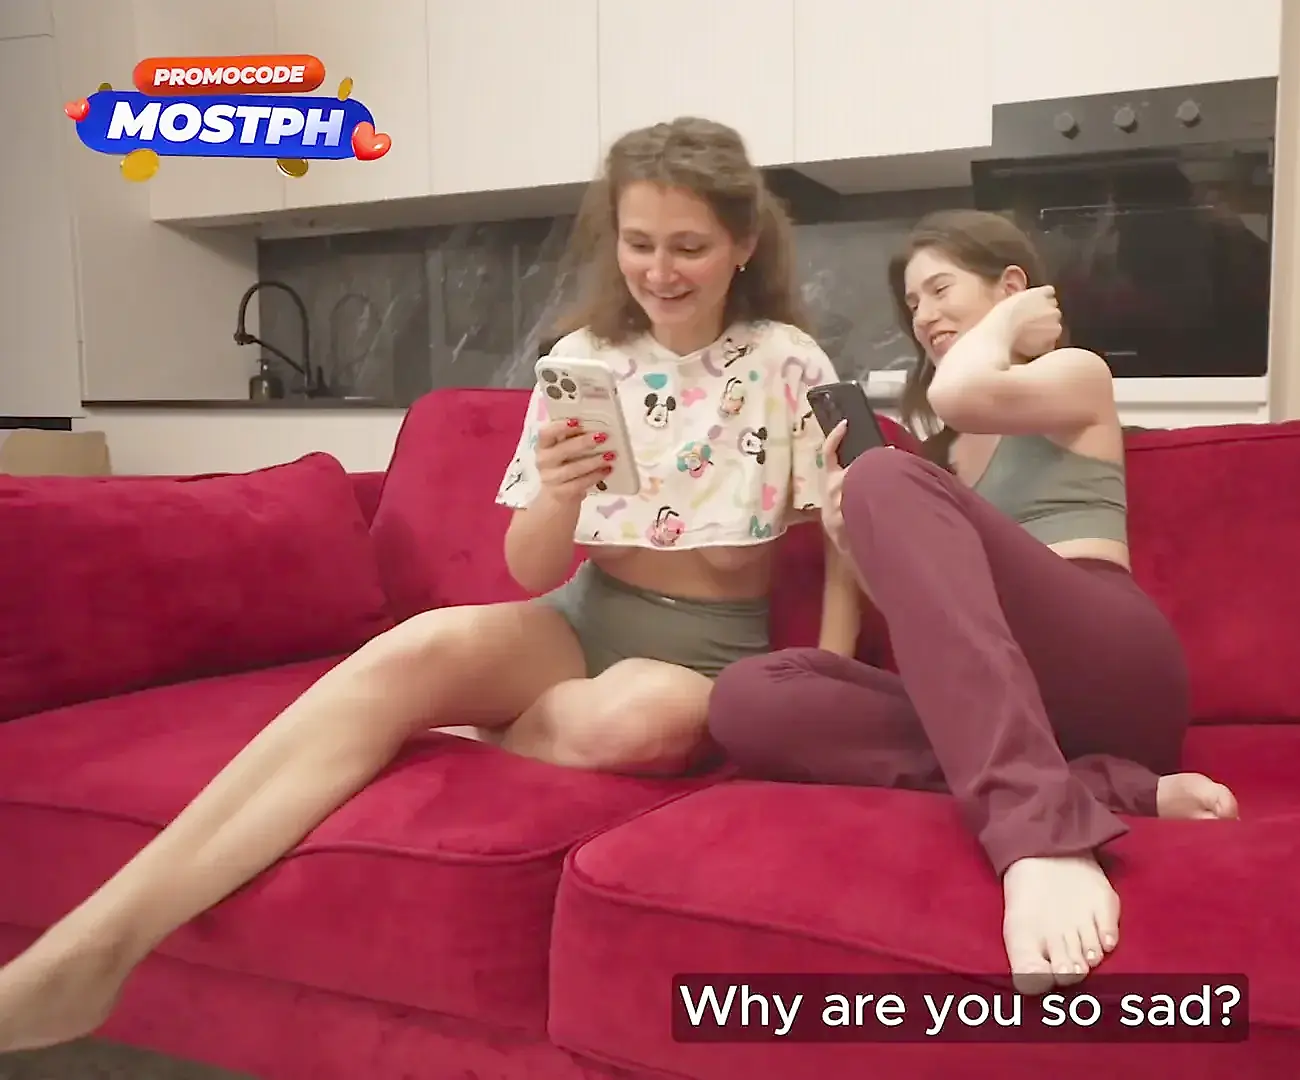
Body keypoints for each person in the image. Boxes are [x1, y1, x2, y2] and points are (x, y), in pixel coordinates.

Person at [0, 116, 856, 1054]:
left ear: (742, 243)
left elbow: (850, 536)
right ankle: (94, 947)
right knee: (406, 651)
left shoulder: (788, 364)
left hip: (706, 649)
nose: (660, 271)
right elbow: (530, 570)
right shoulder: (584, 361)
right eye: (638, 242)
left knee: (640, 720)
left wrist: (826, 679)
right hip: (580, 617)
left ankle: (478, 727)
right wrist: (559, 493)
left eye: (689, 246)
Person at [704, 209, 1238, 994]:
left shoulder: (1074, 375)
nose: (923, 316)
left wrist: (1014, 322)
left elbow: (958, 393)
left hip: (1111, 665)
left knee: (886, 474)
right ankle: (1111, 788)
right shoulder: (947, 454)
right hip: (1019, 704)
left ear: (1011, 284)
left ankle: (1040, 833)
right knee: (748, 698)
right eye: (912, 303)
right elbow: (940, 631)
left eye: (940, 289)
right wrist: (850, 532)